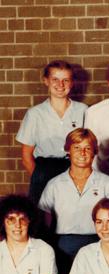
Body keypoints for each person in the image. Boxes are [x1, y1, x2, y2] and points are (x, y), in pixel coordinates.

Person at [39, 128, 109, 263]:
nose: (82, 153)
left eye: (88, 148)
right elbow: (45, 223)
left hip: (97, 244)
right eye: (77, 147)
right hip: (63, 246)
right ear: (68, 150)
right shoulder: (54, 184)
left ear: (95, 152)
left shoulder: (107, 183)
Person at [16, 60, 88, 203]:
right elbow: (26, 157)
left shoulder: (83, 110)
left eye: (65, 80)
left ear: (72, 83)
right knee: (43, 220)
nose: (60, 85)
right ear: (46, 81)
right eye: (55, 79)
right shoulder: (34, 114)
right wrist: (40, 177)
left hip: (75, 169)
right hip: (44, 171)